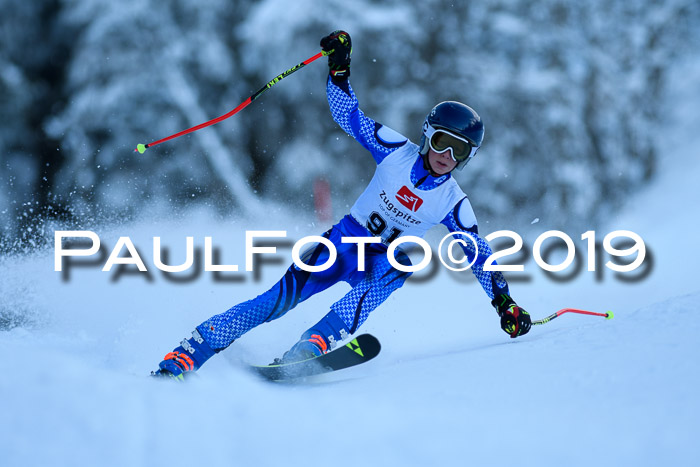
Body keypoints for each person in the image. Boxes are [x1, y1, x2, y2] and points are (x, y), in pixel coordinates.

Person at [152, 31, 531, 380]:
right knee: (273, 302)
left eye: (459, 149)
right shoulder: (396, 151)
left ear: (469, 156)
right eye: (442, 142)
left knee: (403, 263)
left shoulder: (453, 202)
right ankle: (189, 353)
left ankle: (312, 345)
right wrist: (339, 70)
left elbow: (478, 256)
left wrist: (504, 303)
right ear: (427, 135)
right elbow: (348, 115)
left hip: (383, 261)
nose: (447, 154)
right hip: (342, 242)